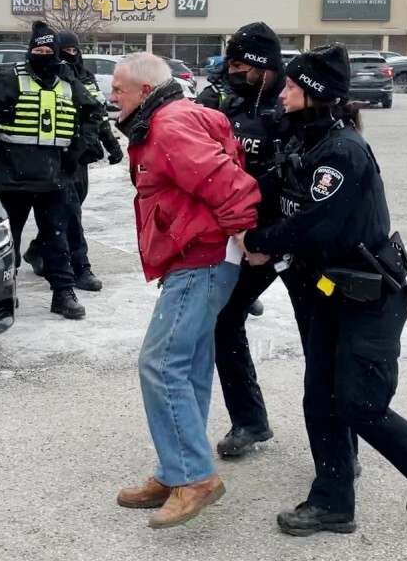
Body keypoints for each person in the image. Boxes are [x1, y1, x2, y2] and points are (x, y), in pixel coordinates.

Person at [236, 44, 407, 538]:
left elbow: (318, 225)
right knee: (320, 397)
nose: (284, 93)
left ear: (315, 95)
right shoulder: (303, 140)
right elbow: (270, 187)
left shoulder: (343, 152)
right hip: (326, 290)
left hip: (368, 296)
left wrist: (259, 242)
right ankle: (333, 502)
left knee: (356, 402)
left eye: (293, 86)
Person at [109, 52, 260, 529]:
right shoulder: (168, 117)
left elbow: (226, 181)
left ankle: (193, 477)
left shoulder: (169, 124)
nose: (112, 96)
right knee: (189, 364)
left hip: (202, 258)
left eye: (118, 88)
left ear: (144, 90)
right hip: (198, 256)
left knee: (160, 362)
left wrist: (246, 234)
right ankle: (176, 470)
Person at [194, 21, 296, 459]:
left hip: (291, 235)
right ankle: (250, 421)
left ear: (262, 64)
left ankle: (341, 453)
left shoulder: (293, 102)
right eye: (229, 63)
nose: (232, 71)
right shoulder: (227, 99)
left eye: (241, 64)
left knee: (321, 339)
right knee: (223, 321)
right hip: (243, 235)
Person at [0, 20, 103, 319]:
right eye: (37, 49)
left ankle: (63, 294)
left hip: (56, 176)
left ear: (56, 52)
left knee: (57, 237)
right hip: (14, 177)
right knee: (7, 237)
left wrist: (77, 150)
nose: (42, 54)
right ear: (30, 51)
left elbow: (93, 112)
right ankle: (4, 292)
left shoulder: (68, 81)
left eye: (47, 50)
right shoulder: (11, 78)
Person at [22, 30, 123, 292]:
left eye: (74, 50)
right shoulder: (52, 77)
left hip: (80, 156)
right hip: (55, 156)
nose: (70, 55)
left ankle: (37, 250)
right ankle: (79, 267)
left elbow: (98, 114)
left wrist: (111, 145)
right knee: (70, 214)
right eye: (64, 50)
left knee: (66, 212)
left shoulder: (85, 77)